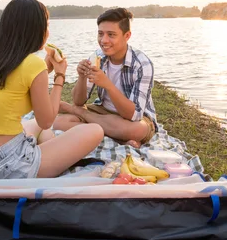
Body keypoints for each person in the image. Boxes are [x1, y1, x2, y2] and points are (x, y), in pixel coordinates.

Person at [0, 0, 104, 180]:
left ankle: (49, 148)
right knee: (95, 130)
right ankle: (48, 157)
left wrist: (45, 70)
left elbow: (37, 115)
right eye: (46, 25)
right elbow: (47, 120)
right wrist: (59, 76)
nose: (48, 31)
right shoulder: (33, 64)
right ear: (34, 29)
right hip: (8, 167)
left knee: (36, 126)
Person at [54, 8, 158, 148]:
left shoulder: (142, 64)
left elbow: (133, 115)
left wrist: (107, 85)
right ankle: (119, 138)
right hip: (103, 112)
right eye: (100, 34)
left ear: (127, 36)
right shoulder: (97, 57)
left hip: (136, 119)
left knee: (136, 130)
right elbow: (78, 101)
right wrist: (82, 77)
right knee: (59, 123)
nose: (104, 40)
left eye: (111, 35)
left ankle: (88, 121)